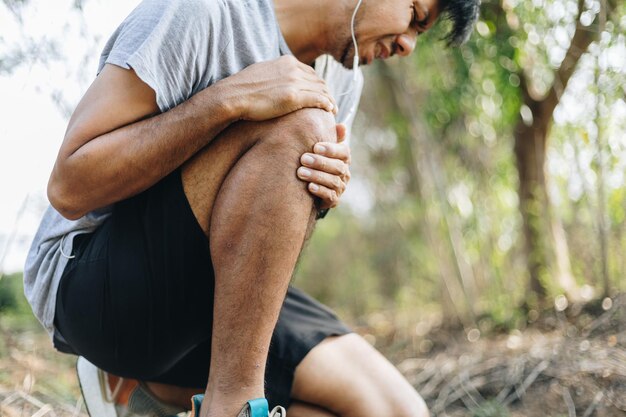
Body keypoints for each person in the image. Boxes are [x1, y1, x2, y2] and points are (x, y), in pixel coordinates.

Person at [24, 0, 479, 416]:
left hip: (209, 302)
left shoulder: (344, 82)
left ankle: (150, 392)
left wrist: (321, 196)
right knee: (304, 126)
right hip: (90, 284)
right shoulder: (204, 13)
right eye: (415, 16)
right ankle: (232, 405)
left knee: (397, 411)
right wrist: (227, 101)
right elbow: (69, 186)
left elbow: (263, 227)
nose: (408, 45)